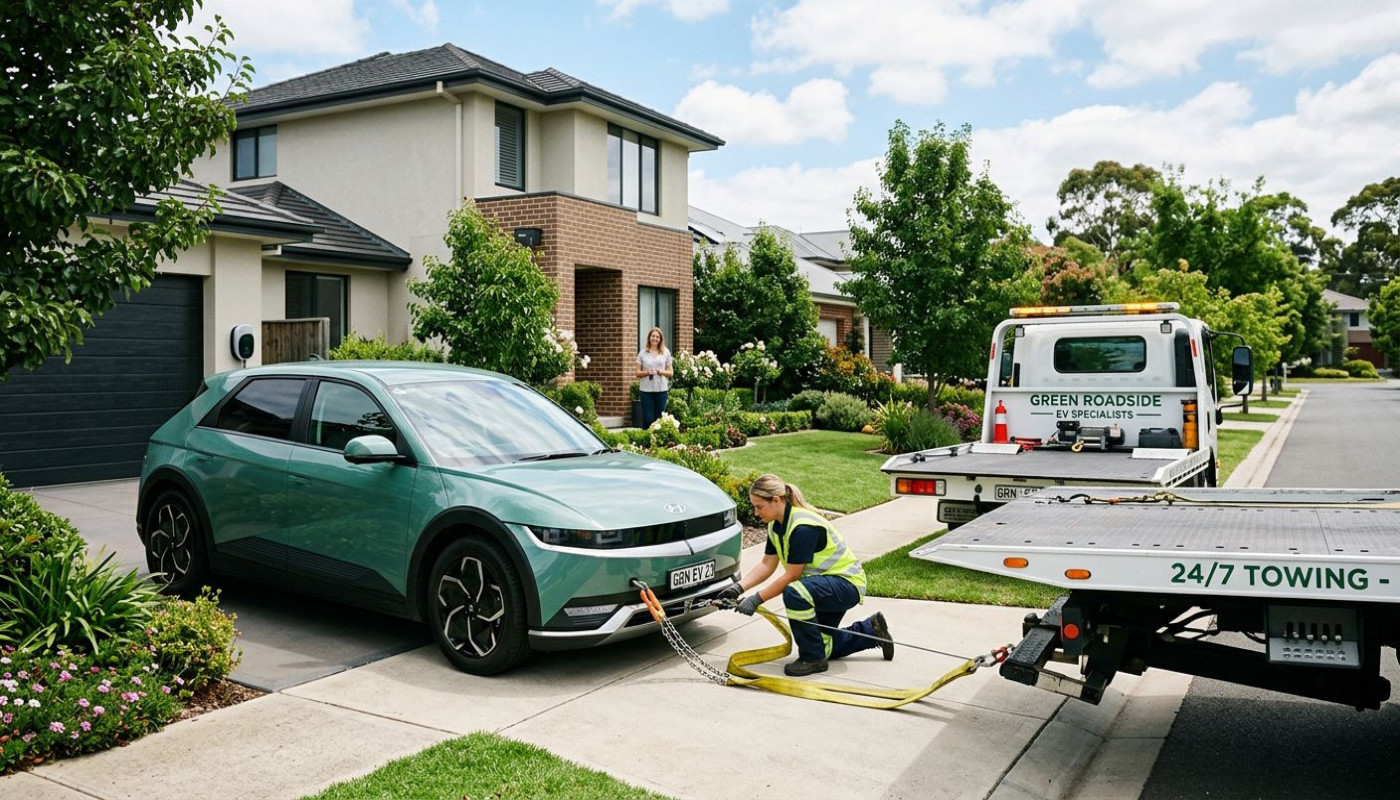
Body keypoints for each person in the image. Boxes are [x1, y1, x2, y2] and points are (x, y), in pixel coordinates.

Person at [717, 474, 894, 676]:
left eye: (759, 506)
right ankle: (872, 630)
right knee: (821, 643)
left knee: (793, 592)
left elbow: (792, 575)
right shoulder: (776, 526)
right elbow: (767, 565)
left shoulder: (802, 527)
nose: (756, 513)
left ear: (775, 500)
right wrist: (738, 588)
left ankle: (812, 659)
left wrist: (756, 599)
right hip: (820, 589)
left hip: (844, 586)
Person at [635, 327, 673, 429]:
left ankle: (656, 441)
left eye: (657, 337)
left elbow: (670, 372)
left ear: (660, 339)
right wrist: (647, 372)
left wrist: (661, 372)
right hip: (646, 390)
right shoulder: (642, 353)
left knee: (659, 418)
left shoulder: (666, 352)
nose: (655, 339)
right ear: (649, 338)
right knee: (647, 418)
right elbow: (637, 373)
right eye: (653, 336)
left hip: (661, 390)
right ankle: (646, 440)